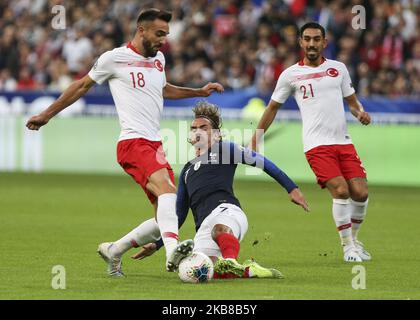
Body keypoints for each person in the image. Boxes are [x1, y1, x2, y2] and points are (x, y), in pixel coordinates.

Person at [25, 8, 224, 276]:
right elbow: (82, 86)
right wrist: (47, 115)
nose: (164, 39)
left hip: (154, 145)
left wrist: (198, 91)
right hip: (133, 142)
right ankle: (172, 253)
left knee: (166, 215)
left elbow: (163, 89)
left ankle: (114, 250)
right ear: (141, 30)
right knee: (167, 191)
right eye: (159, 33)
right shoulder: (114, 58)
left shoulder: (159, 59)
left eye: (166, 34)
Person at [131, 101, 309, 279]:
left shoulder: (224, 149)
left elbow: (262, 162)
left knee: (219, 230)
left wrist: (291, 188)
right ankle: (250, 270)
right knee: (202, 272)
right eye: (194, 128)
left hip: (228, 212)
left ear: (215, 134)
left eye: (204, 127)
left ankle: (231, 259)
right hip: (203, 228)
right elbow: (179, 215)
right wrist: (158, 244)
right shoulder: (186, 170)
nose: (198, 131)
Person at [250, 22, 372, 262]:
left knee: (360, 193)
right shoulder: (290, 75)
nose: (312, 43)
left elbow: (353, 103)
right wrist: (256, 139)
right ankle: (347, 247)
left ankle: (355, 240)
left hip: (343, 142)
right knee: (341, 190)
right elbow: (272, 108)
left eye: (317, 39)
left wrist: (360, 113)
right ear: (300, 42)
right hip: (316, 145)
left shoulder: (339, 69)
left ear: (324, 42)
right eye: (307, 39)